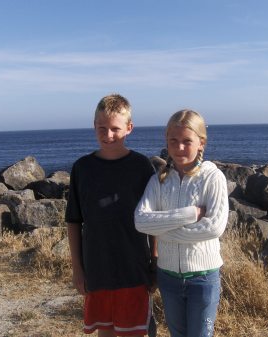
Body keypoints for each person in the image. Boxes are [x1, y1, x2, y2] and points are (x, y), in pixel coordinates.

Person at [66, 94, 157, 337]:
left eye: (115, 129)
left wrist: (155, 262)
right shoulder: (82, 168)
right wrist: (77, 268)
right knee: (104, 331)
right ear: (94, 126)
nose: (108, 135)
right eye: (102, 128)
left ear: (129, 128)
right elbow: (74, 221)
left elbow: (154, 219)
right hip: (96, 268)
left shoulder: (141, 167)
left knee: (134, 331)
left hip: (134, 268)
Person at [134, 109, 229, 337]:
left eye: (187, 141)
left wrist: (163, 229)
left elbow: (214, 227)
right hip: (168, 276)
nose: (179, 148)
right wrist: (191, 213)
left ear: (201, 142)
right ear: (166, 142)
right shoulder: (158, 180)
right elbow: (140, 221)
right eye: (173, 141)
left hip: (203, 277)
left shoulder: (213, 177)